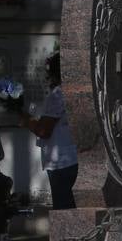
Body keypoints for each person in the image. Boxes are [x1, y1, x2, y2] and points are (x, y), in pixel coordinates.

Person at [18, 52, 78, 210]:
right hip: (74, 157)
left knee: (64, 209)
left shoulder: (58, 94)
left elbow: (44, 130)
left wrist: (27, 121)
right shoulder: (75, 89)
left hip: (62, 161)